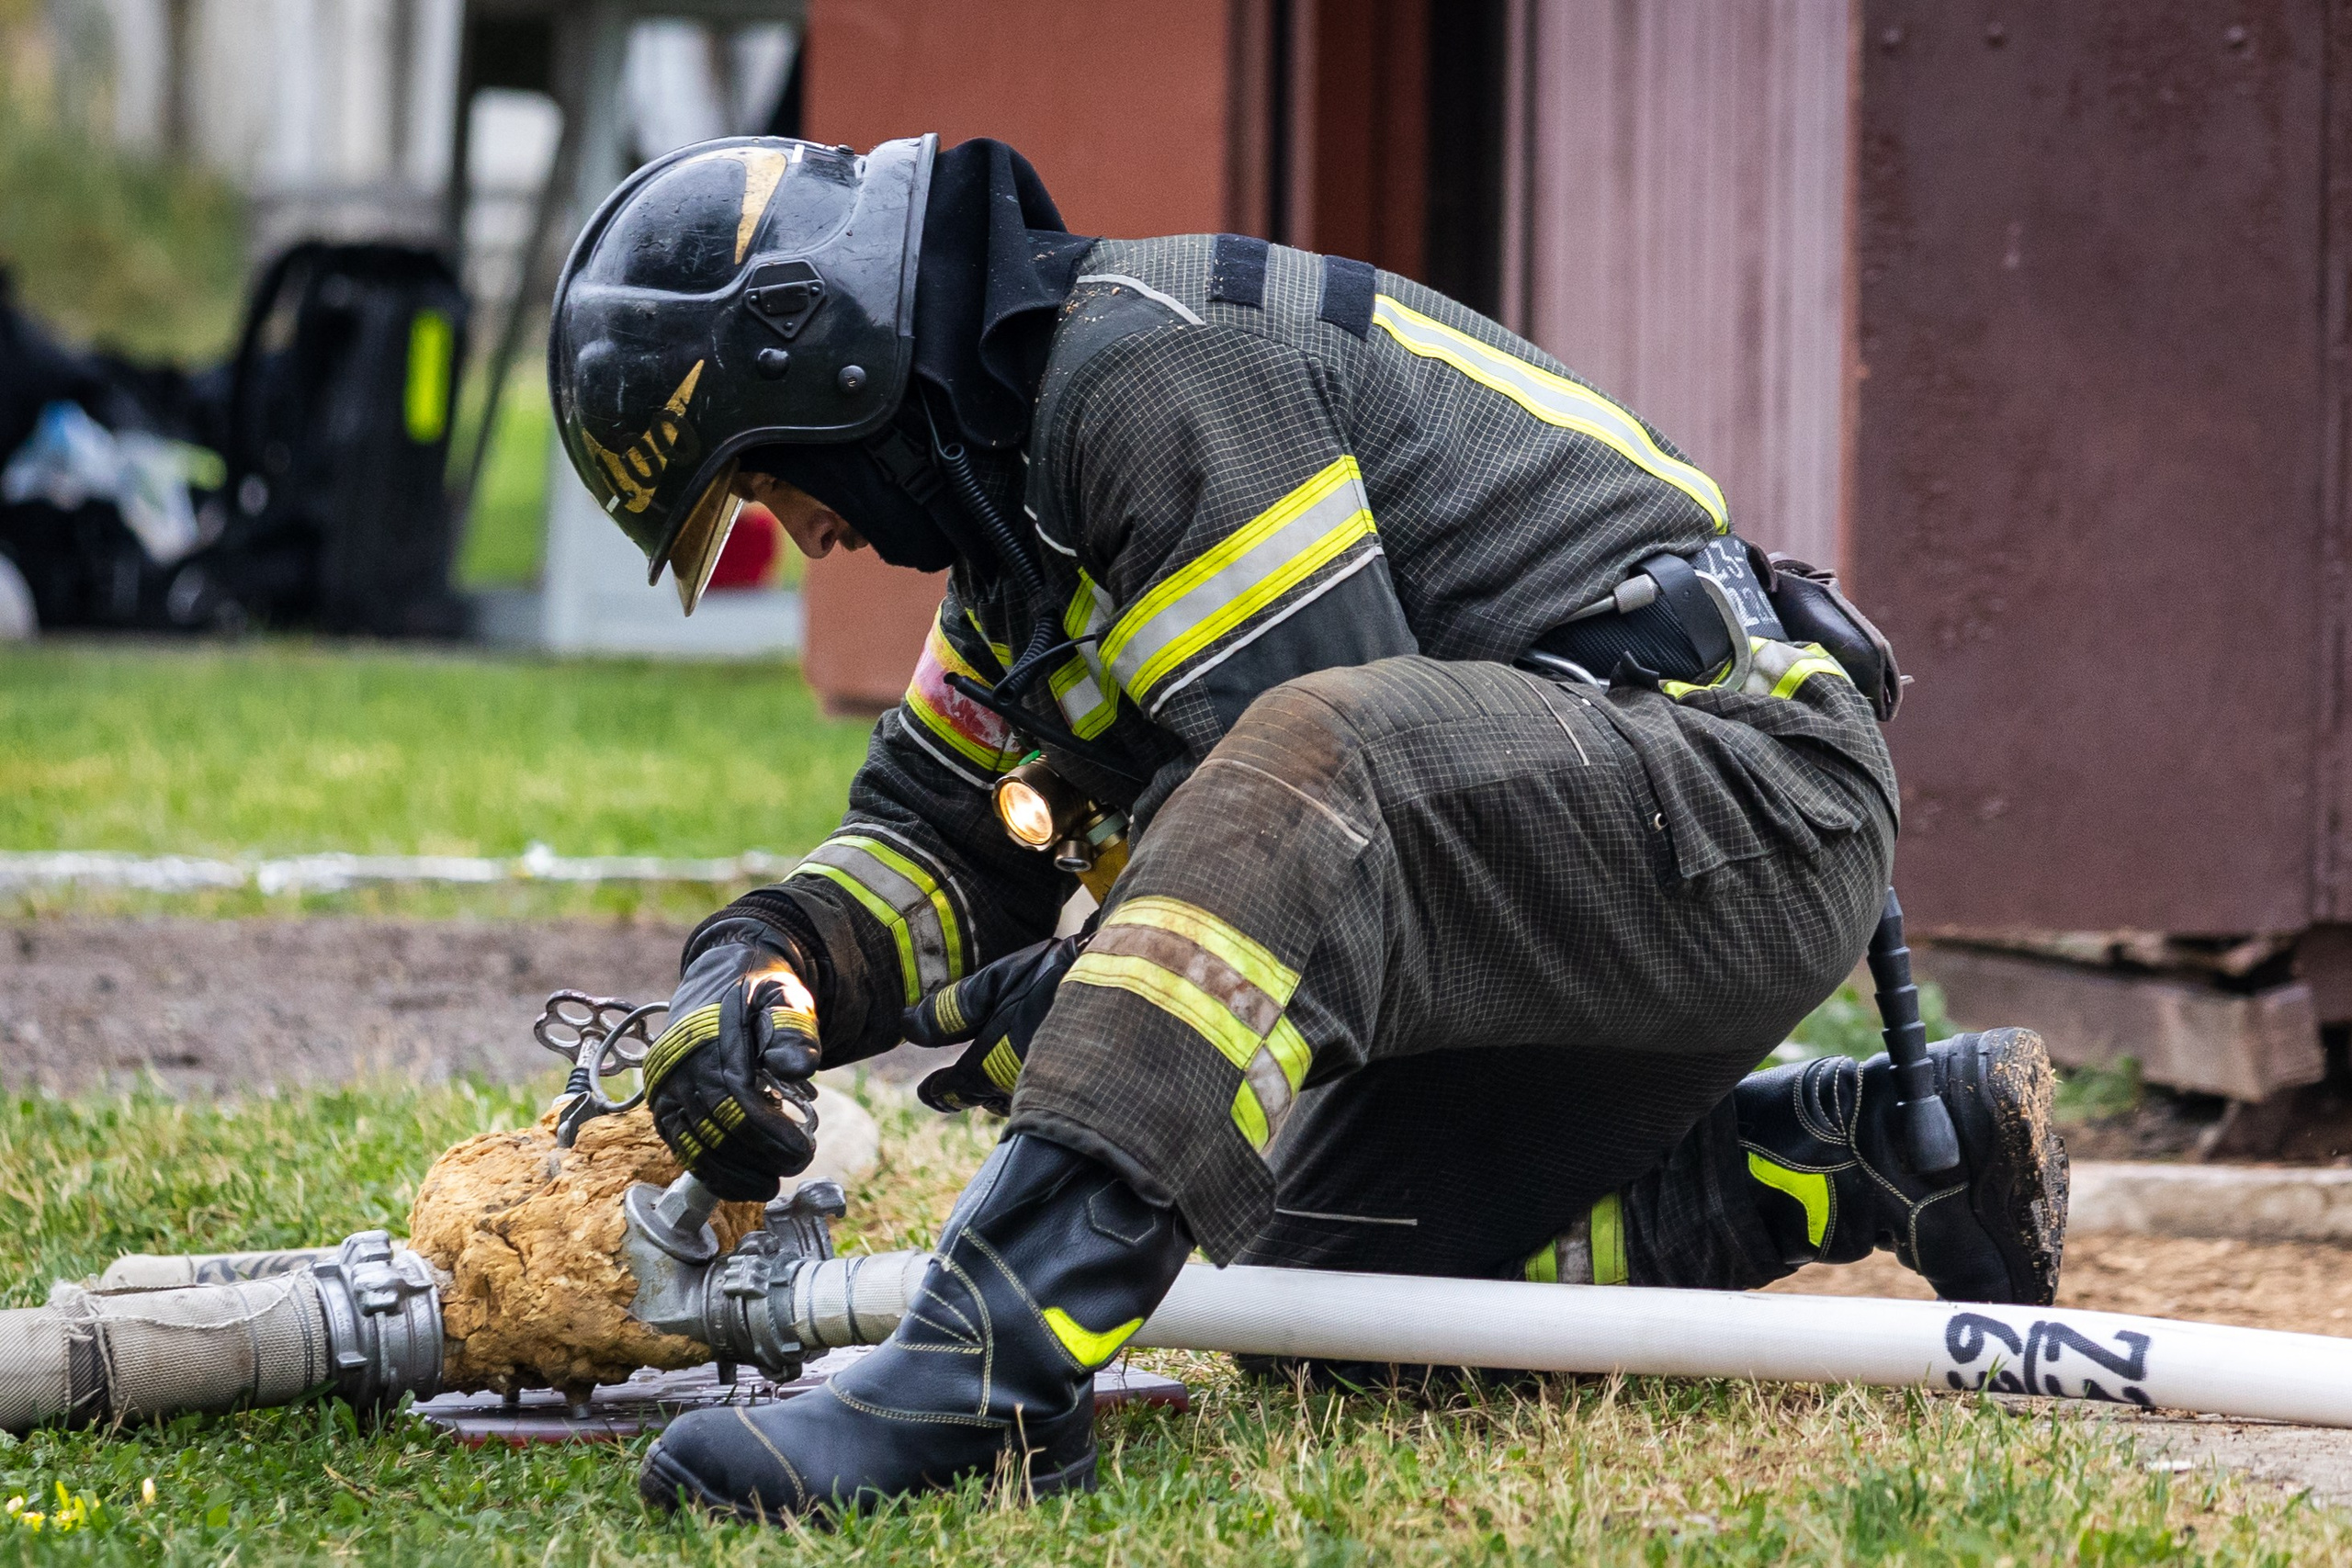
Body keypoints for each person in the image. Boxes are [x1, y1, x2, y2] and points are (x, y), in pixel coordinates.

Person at [547, 133, 2067, 1523]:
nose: (802, 531)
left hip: (1745, 793)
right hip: (1598, 870)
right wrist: (763, 969)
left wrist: (1062, 1001)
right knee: (1319, 1286)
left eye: (758, 478)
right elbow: (951, 842)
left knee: (1301, 765)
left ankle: (986, 1377)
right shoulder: (1021, 562)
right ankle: (1865, 1159)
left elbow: (1305, 795)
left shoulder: (1146, 381)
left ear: (821, 364)